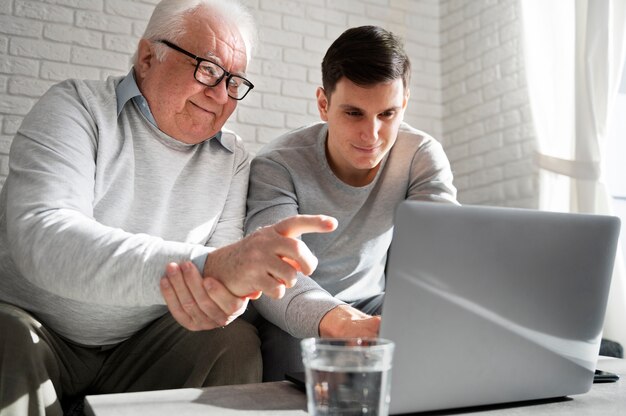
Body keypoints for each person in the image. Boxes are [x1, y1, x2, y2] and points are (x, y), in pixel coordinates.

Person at [0, 1, 336, 414]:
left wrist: (230, 293)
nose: (219, 95)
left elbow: (222, 269)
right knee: (5, 336)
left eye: (234, 82)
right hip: (37, 332)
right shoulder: (76, 107)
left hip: (142, 345)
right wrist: (211, 268)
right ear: (147, 58)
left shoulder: (232, 158)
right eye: (208, 69)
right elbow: (43, 238)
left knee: (232, 342)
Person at [245, 25, 459, 381]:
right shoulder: (278, 164)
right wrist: (337, 320)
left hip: (378, 307)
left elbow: (445, 255)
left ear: (404, 104)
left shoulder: (420, 155)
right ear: (323, 104)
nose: (371, 135)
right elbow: (272, 278)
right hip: (297, 314)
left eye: (387, 114)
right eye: (354, 113)